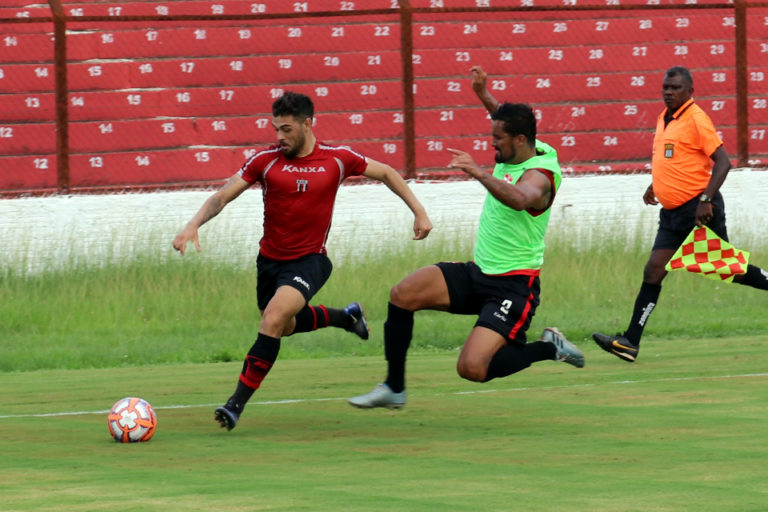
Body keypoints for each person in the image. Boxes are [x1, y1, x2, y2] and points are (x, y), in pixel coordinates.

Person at [173, 91, 433, 429]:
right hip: (270, 262)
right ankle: (345, 316)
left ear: (307, 124)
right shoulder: (265, 161)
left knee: (273, 319)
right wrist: (193, 224)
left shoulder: (337, 159)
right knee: (284, 324)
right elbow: (223, 195)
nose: (279, 137)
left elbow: (385, 172)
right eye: (275, 129)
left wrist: (420, 212)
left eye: (286, 129)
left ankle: (234, 405)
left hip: (309, 261)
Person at [348, 66, 584, 410]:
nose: (491, 145)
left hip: (514, 286)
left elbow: (519, 199)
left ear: (519, 141)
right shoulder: (528, 145)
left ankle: (550, 347)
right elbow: (505, 121)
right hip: (479, 273)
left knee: (472, 368)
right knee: (403, 294)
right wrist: (483, 95)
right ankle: (394, 387)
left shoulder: (540, 174)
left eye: (497, 140)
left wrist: (479, 173)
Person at [592, 66, 768, 362]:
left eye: (674, 88)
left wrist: (706, 199)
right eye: (665, 87)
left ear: (690, 91)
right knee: (653, 271)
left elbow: (723, 163)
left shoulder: (697, 119)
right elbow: (675, 158)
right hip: (672, 214)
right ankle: (629, 342)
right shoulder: (664, 118)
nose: (668, 92)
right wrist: (656, 184)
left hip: (698, 211)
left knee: (729, 268)